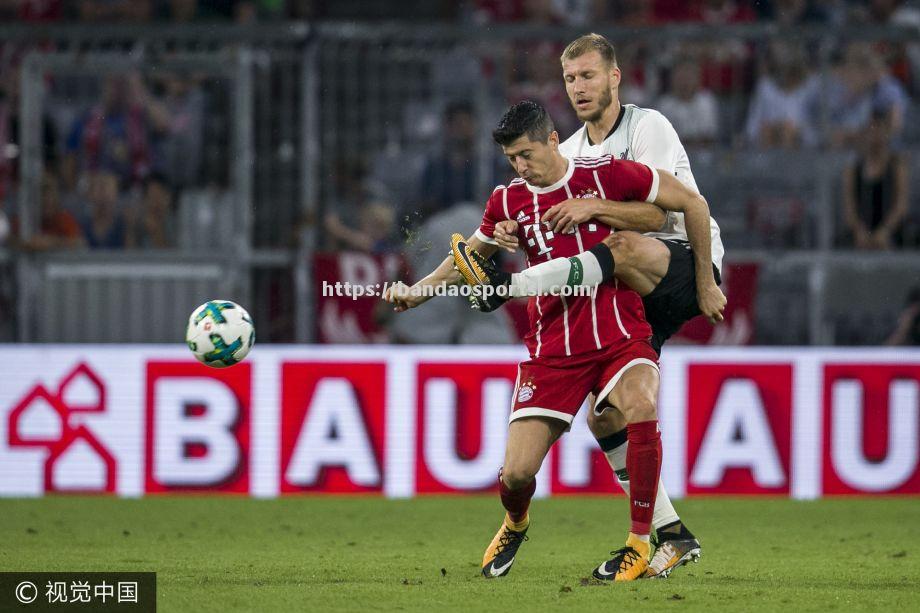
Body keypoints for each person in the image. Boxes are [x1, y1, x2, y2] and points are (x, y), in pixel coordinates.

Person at [385, 100, 715, 581]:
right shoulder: (508, 202)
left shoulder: (605, 174)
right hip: (553, 350)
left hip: (619, 333)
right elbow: (467, 257)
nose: (521, 167)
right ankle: (516, 522)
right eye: (512, 159)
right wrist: (417, 294)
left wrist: (602, 211)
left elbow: (666, 211)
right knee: (516, 475)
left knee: (640, 405)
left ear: (553, 140)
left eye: (526, 154)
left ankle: (639, 543)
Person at [470, 33, 726, 579]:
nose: (579, 87)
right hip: (629, 285)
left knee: (619, 244)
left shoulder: (646, 126)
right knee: (608, 411)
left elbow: (661, 214)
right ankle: (671, 534)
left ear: (615, 77)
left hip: (676, 259)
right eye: (570, 79)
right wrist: (519, 227)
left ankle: (511, 291)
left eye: (588, 75)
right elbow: (533, 225)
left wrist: (707, 283)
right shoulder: (570, 156)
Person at [841, 109, 909, 250]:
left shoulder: (897, 165)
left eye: (879, 128)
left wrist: (885, 231)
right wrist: (859, 231)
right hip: (861, 231)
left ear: (887, 132)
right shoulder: (853, 169)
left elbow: (901, 206)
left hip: (890, 230)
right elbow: (849, 209)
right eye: (870, 129)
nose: (875, 134)